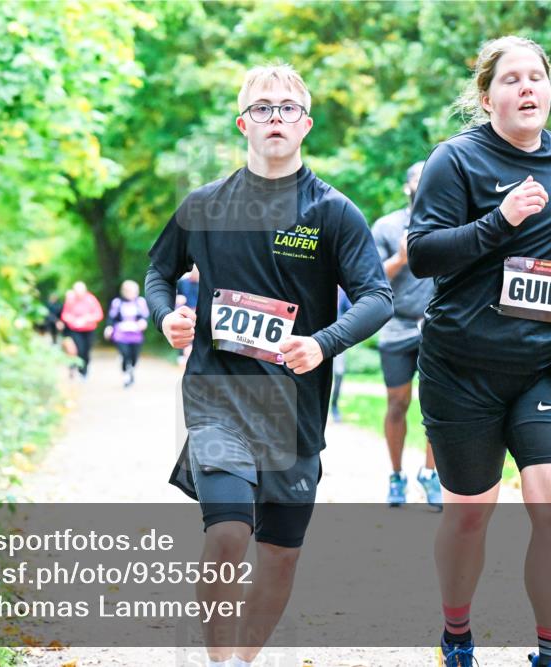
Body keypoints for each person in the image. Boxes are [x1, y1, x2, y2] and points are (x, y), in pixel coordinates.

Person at [145, 64, 392, 667]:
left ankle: (243, 658)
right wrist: (166, 316)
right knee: (229, 535)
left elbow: (377, 298)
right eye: (261, 108)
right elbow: (159, 272)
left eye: (287, 107)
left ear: (305, 124)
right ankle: (218, 661)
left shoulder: (333, 212)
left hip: (294, 412)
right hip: (217, 399)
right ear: (243, 125)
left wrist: (323, 343)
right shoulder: (203, 206)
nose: (274, 115)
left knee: (279, 558)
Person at [407, 36, 551, 667]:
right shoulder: (457, 161)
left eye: (536, 78)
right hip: (462, 366)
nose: (526, 88)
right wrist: (501, 221)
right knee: (470, 514)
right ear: (486, 94)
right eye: (510, 79)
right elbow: (423, 254)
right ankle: (457, 632)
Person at [370, 161, 442, 509]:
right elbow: (367, 279)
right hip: (396, 326)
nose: (423, 182)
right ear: (407, 186)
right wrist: (400, 258)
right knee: (397, 403)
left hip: (438, 327)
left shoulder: (448, 222)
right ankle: (396, 475)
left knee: (437, 406)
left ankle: (430, 474)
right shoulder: (386, 226)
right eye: (417, 177)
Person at [105, 280, 150, 388]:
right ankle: (126, 375)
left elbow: (145, 316)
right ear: (124, 291)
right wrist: (109, 327)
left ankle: (131, 370)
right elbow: (111, 317)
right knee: (125, 354)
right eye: (129, 291)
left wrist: (143, 322)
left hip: (135, 334)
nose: (132, 293)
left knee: (134, 357)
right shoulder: (117, 302)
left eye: (134, 291)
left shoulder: (140, 302)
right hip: (121, 334)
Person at [59, 281, 103, 379]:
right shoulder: (70, 300)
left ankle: (85, 370)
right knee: (78, 349)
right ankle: (79, 369)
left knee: (86, 351)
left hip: (89, 329)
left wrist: (87, 318)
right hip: (75, 330)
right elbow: (65, 315)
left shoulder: (91, 299)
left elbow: (98, 314)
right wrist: (74, 320)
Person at [329, 287, 351, 422]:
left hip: (337, 339)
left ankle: (334, 406)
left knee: (338, 372)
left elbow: (351, 310)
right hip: (314, 337)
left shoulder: (344, 292)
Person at [175, 265, 201, 366]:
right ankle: (182, 355)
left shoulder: (203, 285)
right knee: (183, 333)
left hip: (198, 313)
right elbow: (175, 296)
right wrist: (178, 299)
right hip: (185, 312)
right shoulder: (182, 282)